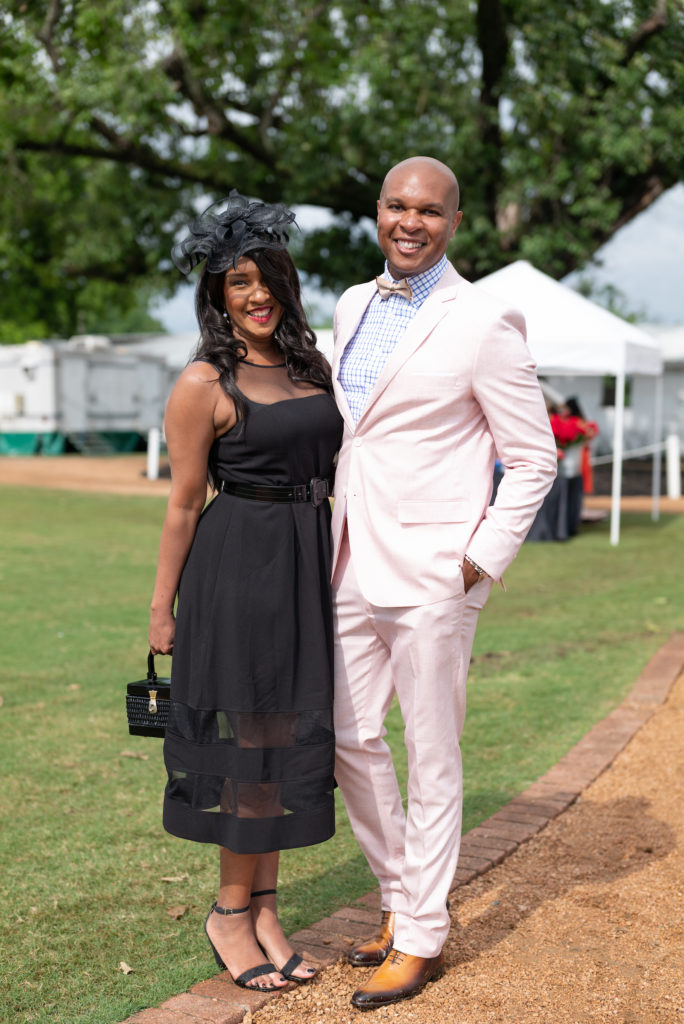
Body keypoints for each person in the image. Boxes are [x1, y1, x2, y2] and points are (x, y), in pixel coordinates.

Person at [330, 156, 557, 1010]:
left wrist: (479, 558)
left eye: (429, 210)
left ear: (454, 221)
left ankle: (420, 934)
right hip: (347, 557)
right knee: (352, 738)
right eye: (396, 206)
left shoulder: (485, 319)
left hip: (434, 572)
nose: (410, 222)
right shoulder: (353, 304)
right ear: (378, 211)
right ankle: (402, 898)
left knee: (431, 756)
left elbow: (534, 458)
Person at [148, 191, 343, 992]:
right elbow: (184, 502)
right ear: (218, 295)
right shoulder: (204, 381)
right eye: (238, 283)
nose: (256, 295)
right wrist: (162, 606)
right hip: (238, 570)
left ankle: (263, 907)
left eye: (267, 280)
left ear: (286, 286)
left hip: (305, 562)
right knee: (247, 746)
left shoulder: (309, 367)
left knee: (281, 737)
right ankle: (230, 914)